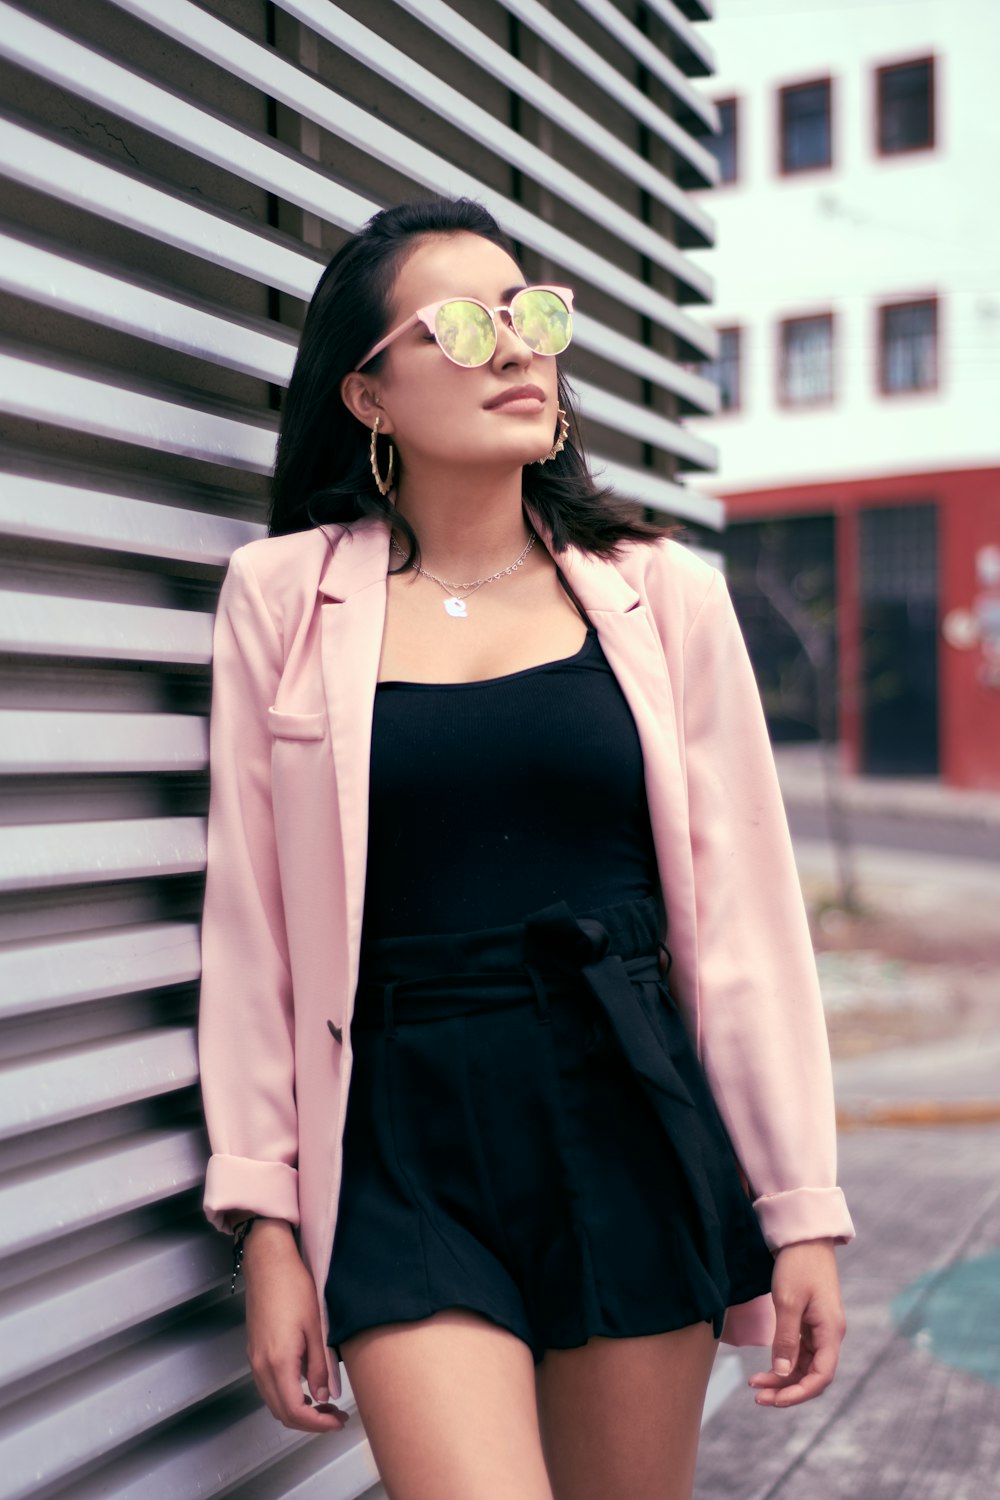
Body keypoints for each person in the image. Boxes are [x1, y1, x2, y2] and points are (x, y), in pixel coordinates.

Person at [197, 195, 855, 1500]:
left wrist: (800, 1210)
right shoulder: (285, 598)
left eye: (532, 315)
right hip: (396, 1133)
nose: (515, 347)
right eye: (462, 324)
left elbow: (750, 932)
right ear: (369, 396)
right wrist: (266, 1224)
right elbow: (251, 927)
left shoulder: (662, 594)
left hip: (621, 1099)